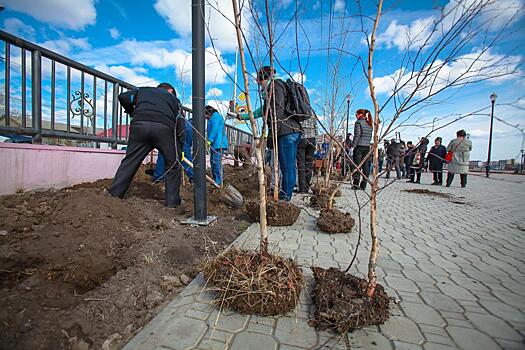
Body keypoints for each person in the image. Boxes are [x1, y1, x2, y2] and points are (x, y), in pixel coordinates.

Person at [109, 83, 182, 207]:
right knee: (173, 164)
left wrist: (132, 112)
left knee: (130, 161)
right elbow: (180, 123)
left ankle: (114, 195)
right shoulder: (174, 99)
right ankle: (172, 202)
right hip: (163, 129)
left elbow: (122, 97)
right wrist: (179, 146)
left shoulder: (142, 91)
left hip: (139, 127)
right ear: (170, 91)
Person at [237, 66, 302, 201]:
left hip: (286, 132)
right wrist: (242, 117)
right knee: (288, 167)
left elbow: (277, 109)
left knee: (286, 168)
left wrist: (273, 133)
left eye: (258, 80)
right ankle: (285, 197)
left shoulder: (275, 85)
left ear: (263, 77)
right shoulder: (273, 90)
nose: (257, 83)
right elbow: (260, 112)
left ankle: (285, 199)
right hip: (290, 131)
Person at [205, 105, 229, 186]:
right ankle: (216, 180)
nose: (205, 117)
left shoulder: (215, 117)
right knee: (213, 162)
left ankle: (219, 182)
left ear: (208, 113)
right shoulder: (214, 117)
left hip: (218, 144)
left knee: (216, 162)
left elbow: (214, 129)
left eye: (205, 115)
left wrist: (210, 140)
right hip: (216, 144)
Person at [351, 109, 373, 190]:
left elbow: (357, 135)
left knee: (357, 166)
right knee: (366, 166)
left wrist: (353, 146)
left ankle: (355, 185)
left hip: (359, 147)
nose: (355, 116)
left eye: (356, 114)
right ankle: (363, 185)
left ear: (360, 114)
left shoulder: (358, 123)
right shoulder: (369, 123)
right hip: (367, 147)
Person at [297, 117, 317, 193]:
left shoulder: (299, 113)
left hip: (302, 139)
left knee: (301, 165)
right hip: (312, 140)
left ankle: (302, 189)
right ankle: (306, 187)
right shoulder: (313, 115)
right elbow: (316, 130)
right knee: (309, 165)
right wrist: (316, 144)